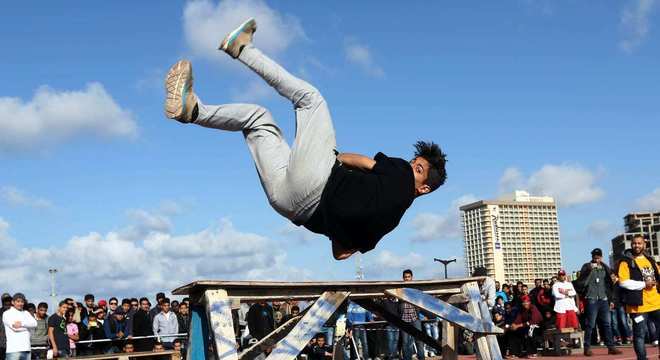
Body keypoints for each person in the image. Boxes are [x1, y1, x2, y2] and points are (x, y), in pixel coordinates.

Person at [164, 18, 447, 261]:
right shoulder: (385, 227)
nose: (411, 166)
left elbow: (359, 161)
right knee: (256, 118)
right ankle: (194, 110)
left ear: (422, 189)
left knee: (311, 100)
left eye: (418, 168)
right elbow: (340, 253)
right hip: (287, 206)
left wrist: (333, 156)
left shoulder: (399, 174)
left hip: (317, 181)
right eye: (414, 163)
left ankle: (241, 49)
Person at [617, 234, 660, 360]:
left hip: (656, 302)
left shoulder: (650, 260)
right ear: (631, 245)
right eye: (634, 243)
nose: (637, 245)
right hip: (638, 305)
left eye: (639, 243)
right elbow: (623, 282)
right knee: (640, 334)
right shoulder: (626, 261)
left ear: (644, 244)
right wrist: (644, 284)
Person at [574, 248, 622, 356]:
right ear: (592, 257)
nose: (596, 259)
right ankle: (587, 348)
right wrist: (590, 270)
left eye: (598, 257)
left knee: (607, 324)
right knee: (590, 324)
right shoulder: (587, 266)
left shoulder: (605, 267)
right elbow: (582, 282)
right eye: (594, 257)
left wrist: (611, 299)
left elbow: (611, 283)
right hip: (591, 298)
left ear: (601, 257)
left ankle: (611, 347)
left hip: (603, 299)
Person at [2, 293, 37, 360]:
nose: (20, 303)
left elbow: (35, 324)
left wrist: (22, 324)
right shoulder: (7, 313)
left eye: (22, 301)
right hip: (13, 350)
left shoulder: (26, 313)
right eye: (18, 301)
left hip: (27, 349)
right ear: (13, 302)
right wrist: (28, 327)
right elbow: (15, 328)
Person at [399, 269, 424, 360]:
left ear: (412, 277)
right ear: (403, 278)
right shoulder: (400, 288)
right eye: (405, 277)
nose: (407, 278)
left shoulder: (417, 288)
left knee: (419, 340)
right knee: (405, 342)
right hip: (404, 317)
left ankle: (421, 358)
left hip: (415, 317)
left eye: (409, 277)